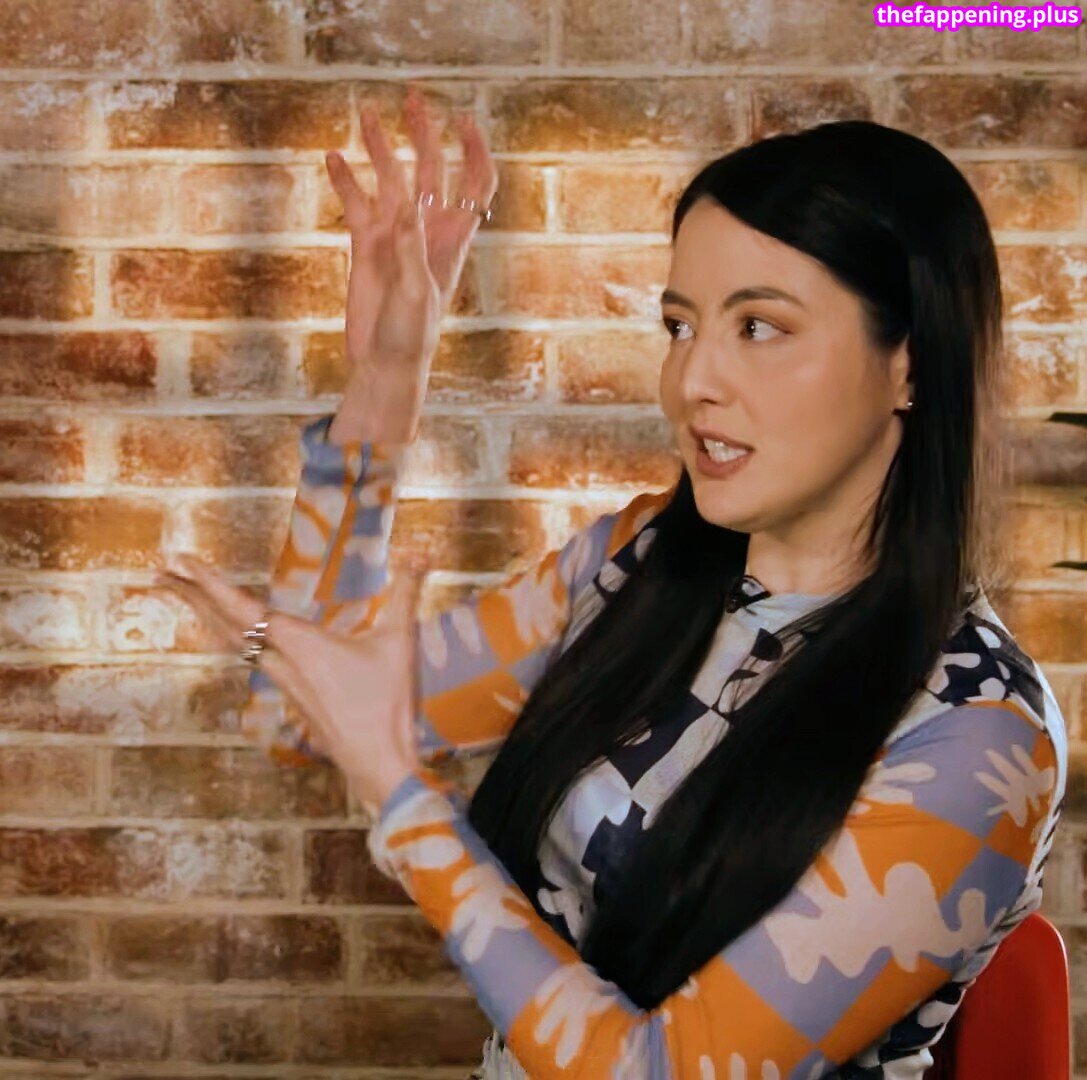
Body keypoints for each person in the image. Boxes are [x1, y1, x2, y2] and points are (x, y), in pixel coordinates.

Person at [157, 87, 1067, 1078]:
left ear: (911, 366)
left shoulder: (978, 734)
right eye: (680, 326)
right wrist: (382, 391)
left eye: (759, 328)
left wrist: (404, 801)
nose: (692, 383)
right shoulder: (640, 559)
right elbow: (305, 715)